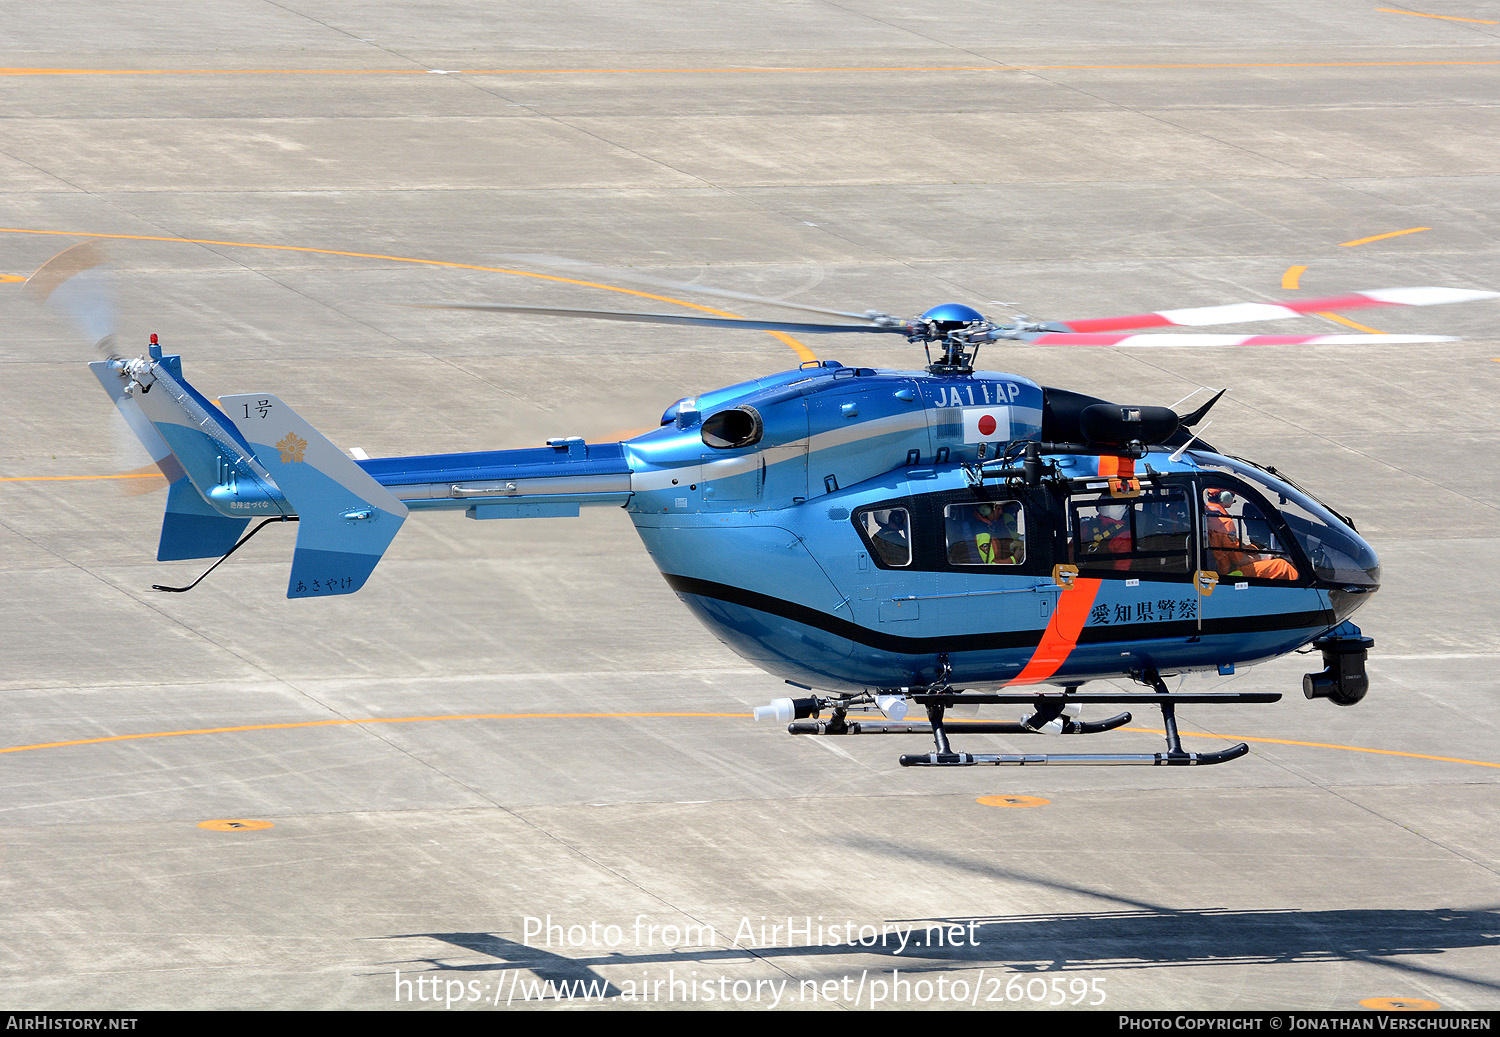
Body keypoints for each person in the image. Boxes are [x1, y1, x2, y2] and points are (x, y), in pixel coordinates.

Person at [1204, 487, 1298, 580]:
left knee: (1253, 549)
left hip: (1218, 565)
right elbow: (1237, 559)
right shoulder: (1225, 522)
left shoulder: (1206, 513)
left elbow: (1229, 548)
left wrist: (1254, 549)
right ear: (1225, 497)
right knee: (1282, 566)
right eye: (1232, 495)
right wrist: (1261, 557)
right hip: (1229, 571)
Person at [947, 501, 1024, 565]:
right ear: (985, 510)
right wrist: (1015, 558)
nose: (1001, 512)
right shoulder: (982, 532)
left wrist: (1013, 545)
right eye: (998, 508)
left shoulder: (990, 527)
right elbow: (991, 565)